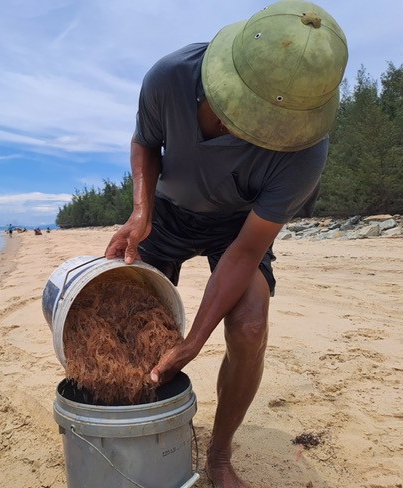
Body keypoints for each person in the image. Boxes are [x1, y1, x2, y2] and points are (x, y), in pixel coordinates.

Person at [104, 2, 347, 487]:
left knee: (250, 325)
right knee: (131, 317)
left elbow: (244, 252)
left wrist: (193, 342)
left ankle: (218, 455)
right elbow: (146, 141)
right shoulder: (170, 77)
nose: (250, 133)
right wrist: (141, 209)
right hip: (168, 213)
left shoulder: (305, 150)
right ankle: (134, 426)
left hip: (237, 227)